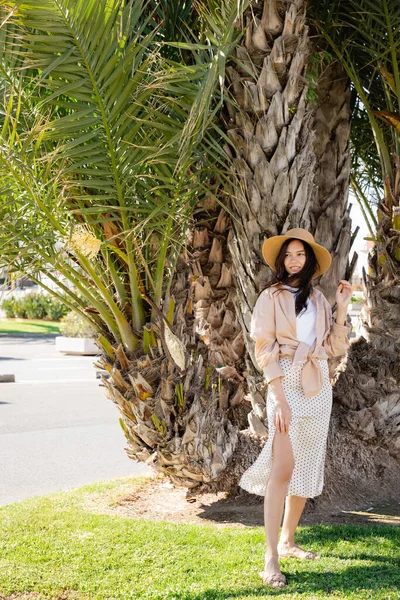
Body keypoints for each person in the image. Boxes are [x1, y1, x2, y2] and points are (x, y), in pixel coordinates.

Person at [239, 228, 352, 588]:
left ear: (310, 261)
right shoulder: (269, 297)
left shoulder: (318, 299)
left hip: (318, 384)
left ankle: (288, 542)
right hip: (285, 382)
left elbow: (334, 348)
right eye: (288, 254)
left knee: (305, 462)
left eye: (300, 255)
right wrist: (280, 398)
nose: (293, 260)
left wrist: (343, 309)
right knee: (282, 466)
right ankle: (270, 557)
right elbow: (264, 349)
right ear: (281, 260)